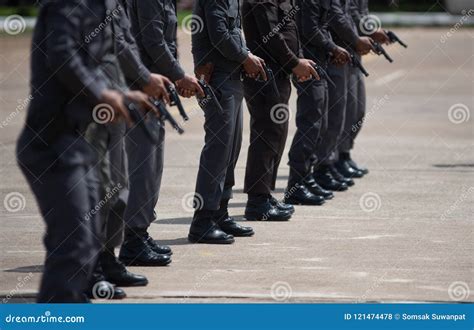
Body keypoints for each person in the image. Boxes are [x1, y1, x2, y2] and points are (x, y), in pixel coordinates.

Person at [15, 0, 150, 303]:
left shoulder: (101, 6)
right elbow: (62, 54)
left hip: (78, 140)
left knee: (87, 242)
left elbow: (92, 62)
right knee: (74, 244)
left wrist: (121, 93)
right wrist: (102, 93)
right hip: (52, 143)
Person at [84, 0, 172, 298]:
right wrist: (145, 79)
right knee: (94, 192)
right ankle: (88, 269)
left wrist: (135, 86)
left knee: (118, 189)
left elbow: (123, 42)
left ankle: (108, 260)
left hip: (116, 99)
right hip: (90, 105)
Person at [189, 0, 266, 244]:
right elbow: (219, 33)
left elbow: (233, 32)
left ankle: (220, 212)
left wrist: (247, 56)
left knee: (231, 149)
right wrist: (245, 58)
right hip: (218, 78)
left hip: (232, 77)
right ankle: (202, 221)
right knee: (218, 151)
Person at [241, 0, 321, 214]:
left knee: (276, 133)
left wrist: (298, 61)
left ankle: (265, 194)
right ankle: (257, 201)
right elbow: (272, 34)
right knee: (266, 134)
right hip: (265, 74)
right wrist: (295, 63)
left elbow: (290, 31)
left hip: (279, 73)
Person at [286, 0, 352, 205]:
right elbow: (310, 29)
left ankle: (307, 178)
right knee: (310, 124)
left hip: (320, 64)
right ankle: (296, 185)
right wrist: (333, 47)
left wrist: (331, 50)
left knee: (320, 124)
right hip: (309, 68)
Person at [311, 0, 373, 192]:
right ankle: (324, 166)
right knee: (334, 114)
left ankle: (338, 158)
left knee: (353, 111)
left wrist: (366, 34)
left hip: (346, 52)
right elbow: (335, 16)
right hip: (333, 54)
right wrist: (356, 39)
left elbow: (352, 13)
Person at [334, 0, 390, 177]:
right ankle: (332, 160)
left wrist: (371, 33)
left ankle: (344, 154)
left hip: (353, 51)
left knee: (356, 110)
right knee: (342, 111)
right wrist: (360, 37)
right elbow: (342, 15)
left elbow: (359, 14)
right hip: (340, 51)